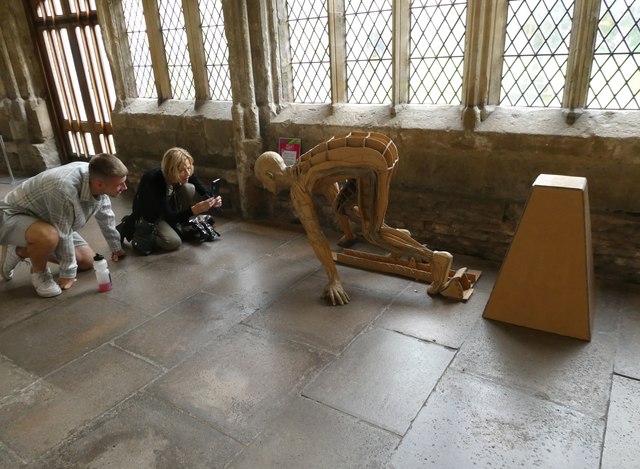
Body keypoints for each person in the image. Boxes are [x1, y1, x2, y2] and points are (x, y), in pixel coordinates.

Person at [255, 131, 454, 306]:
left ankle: (436, 259)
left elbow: (316, 236)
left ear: (270, 175)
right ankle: (398, 237)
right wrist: (348, 234)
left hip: (373, 165)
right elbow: (334, 197)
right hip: (379, 150)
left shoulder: (299, 188)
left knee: (373, 233)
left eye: (263, 181)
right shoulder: (305, 165)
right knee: (344, 206)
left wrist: (334, 279)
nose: (264, 186)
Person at [0, 153, 128, 298]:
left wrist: (116, 248)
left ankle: (20, 250)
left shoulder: (97, 176)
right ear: (99, 184)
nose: (125, 187)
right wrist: (67, 273)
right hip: (10, 215)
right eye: (120, 184)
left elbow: (106, 215)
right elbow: (63, 232)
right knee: (48, 236)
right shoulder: (63, 188)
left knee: (87, 261)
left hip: (46, 220)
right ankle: (39, 274)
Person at [118, 147, 222, 253]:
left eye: (189, 167)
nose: (187, 173)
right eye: (182, 170)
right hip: (152, 216)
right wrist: (194, 210)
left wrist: (212, 199)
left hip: (168, 208)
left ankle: (179, 224)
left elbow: (201, 188)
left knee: (189, 188)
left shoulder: (184, 172)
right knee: (173, 242)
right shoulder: (153, 180)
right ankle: (135, 230)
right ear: (170, 170)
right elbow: (168, 216)